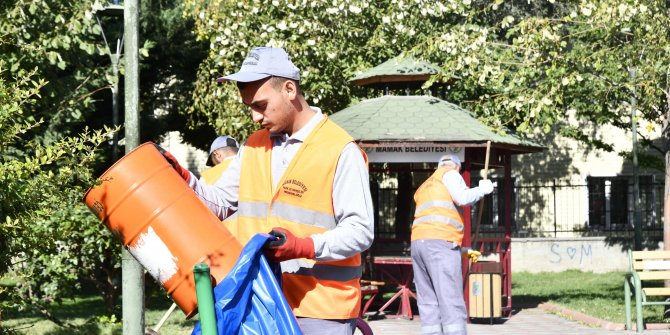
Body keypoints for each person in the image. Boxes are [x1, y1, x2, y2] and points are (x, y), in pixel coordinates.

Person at [160, 46, 374, 335]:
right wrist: (182, 178)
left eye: (260, 105)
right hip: (261, 303)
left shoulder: (340, 150)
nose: (254, 117)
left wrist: (303, 246)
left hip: (320, 310)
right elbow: (219, 203)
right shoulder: (253, 145)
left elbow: (360, 230)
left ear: (289, 89)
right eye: (249, 107)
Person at [410, 154, 493, 335]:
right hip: (440, 242)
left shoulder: (426, 184)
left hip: (419, 244)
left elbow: (433, 220)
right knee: (450, 297)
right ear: (457, 167)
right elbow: (462, 198)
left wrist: (460, 250)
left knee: (428, 300)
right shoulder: (451, 174)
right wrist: (482, 190)